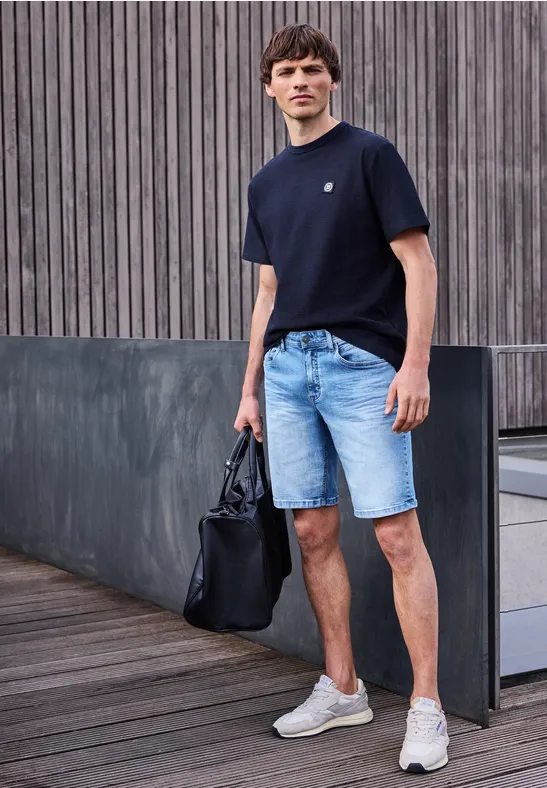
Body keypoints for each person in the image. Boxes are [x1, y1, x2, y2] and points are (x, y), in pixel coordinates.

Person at [233, 23, 448, 774]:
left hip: (363, 369)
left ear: (332, 81)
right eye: (287, 70)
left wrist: (412, 365)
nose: (300, 80)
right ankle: (342, 685)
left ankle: (426, 705)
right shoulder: (264, 182)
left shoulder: (369, 155)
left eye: (313, 69)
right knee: (314, 533)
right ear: (269, 87)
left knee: (395, 535)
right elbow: (268, 293)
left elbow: (417, 263)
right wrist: (250, 388)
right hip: (287, 372)